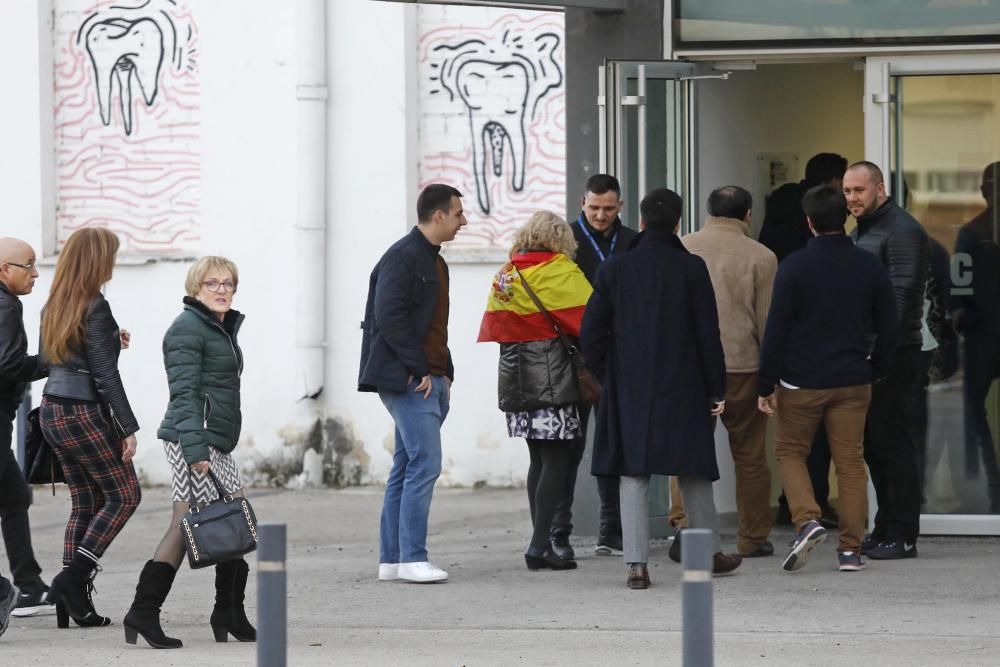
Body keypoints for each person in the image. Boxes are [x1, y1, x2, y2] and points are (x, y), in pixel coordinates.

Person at [580, 188, 742, 589]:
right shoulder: (692, 268)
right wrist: (715, 388)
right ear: (678, 224)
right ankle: (706, 557)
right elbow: (708, 333)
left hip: (630, 386)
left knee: (633, 472)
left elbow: (591, 333)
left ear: (639, 221)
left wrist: (609, 374)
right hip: (684, 384)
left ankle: (636, 565)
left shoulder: (615, 268)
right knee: (694, 471)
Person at [758, 185, 897, 573]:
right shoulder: (868, 265)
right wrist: (876, 368)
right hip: (853, 379)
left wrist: (765, 382)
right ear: (847, 218)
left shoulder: (794, 267)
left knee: (790, 451)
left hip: (801, 380)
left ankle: (807, 520)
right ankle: (851, 551)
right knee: (850, 462)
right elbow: (890, 324)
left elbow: (776, 331)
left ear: (808, 222)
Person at [123, 256, 254, 649]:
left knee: (223, 518)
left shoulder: (217, 327)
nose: (221, 289)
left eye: (228, 283)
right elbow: (184, 395)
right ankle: (147, 611)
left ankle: (226, 611)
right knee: (204, 520)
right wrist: (196, 449)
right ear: (195, 287)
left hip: (210, 438)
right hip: (190, 439)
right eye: (212, 283)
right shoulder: (186, 329)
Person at [359, 184, 466, 584]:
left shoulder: (436, 262)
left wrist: (445, 370)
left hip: (429, 377)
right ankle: (413, 558)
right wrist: (421, 369)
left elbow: (435, 326)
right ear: (438, 216)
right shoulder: (402, 258)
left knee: (406, 466)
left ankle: (392, 560)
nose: (463, 220)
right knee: (425, 463)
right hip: (409, 380)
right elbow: (389, 317)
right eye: (458, 214)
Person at [478, 212, 592, 571]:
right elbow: (591, 321)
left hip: (515, 379)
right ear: (560, 240)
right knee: (558, 459)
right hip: (553, 377)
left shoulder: (506, 274)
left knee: (538, 460)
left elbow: (496, 327)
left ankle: (539, 541)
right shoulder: (561, 271)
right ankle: (539, 545)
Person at [39, 227, 141, 627]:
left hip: (52, 411)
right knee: (125, 495)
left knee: (84, 501)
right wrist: (127, 427)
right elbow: (104, 375)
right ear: (98, 260)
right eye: (111, 256)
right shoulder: (95, 305)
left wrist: (112, 338)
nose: (113, 264)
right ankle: (72, 578)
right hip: (83, 413)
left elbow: (58, 357)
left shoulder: (55, 303)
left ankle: (73, 604)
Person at [680, 186, 777, 558]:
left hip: (691, 369)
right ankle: (752, 537)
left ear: (708, 210)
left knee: (686, 451)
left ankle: (684, 527)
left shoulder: (684, 246)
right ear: (748, 214)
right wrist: (771, 376)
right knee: (750, 455)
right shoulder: (763, 257)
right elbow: (768, 321)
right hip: (743, 366)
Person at [845, 161, 930, 559]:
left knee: (894, 444)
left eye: (859, 191)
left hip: (896, 355)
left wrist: (876, 352)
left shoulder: (902, 230)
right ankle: (885, 527)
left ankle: (904, 533)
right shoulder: (864, 229)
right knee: (876, 445)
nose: (851, 199)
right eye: (847, 192)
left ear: (880, 189)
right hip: (870, 354)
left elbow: (901, 298)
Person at [759, 153, 848, 528]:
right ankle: (825, 515)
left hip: (794, 344)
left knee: (793, 440)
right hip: (832, 345)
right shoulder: (848, 256)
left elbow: (777, 324)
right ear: (829, 184)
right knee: (841, 450)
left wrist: (768, 378)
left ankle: (794, 505)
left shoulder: (779, 209)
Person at [553, 173, 638, 559]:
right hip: (572, 359)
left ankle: (612, 530)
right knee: (567, 447)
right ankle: (558, 531)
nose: (600, 216)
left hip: (619, 359)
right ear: (581, 204)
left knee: (612, 446)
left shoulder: (634, 242)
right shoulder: (565, 243)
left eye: (608, 208)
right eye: (593, 208)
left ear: (620, 206)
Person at [0, 238, 53, 618]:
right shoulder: (5, 304)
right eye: (28, 265)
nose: (36, 273)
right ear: (4, 270)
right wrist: (54, 360)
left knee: (15, 496)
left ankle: (30, 588)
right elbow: (10, 364)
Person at [952, 161, 1000, 512]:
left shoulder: (973, 232)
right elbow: (959, 286)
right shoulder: (971, 233)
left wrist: (963, 319)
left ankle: (992, 491)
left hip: (983, 335)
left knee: (971, 410)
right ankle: (992, 491)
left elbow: (959, 290)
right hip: (982, 333)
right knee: (969, 410)